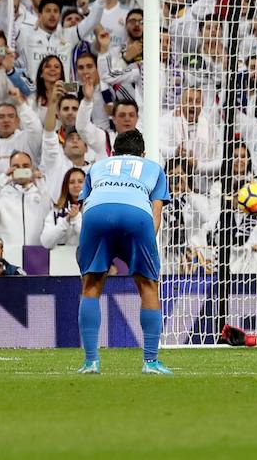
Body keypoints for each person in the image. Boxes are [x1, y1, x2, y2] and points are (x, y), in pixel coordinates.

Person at [76, 129, 171, 375]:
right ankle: (150, 363)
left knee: (91, 284)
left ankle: (91, 363)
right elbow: (156, 213)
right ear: (143, 153)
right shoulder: (153, 167)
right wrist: (147, 249)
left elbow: (86, 205)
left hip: (96, 214)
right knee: (148, 286)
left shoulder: (97, 167)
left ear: (113, 152)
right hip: (137, 215)